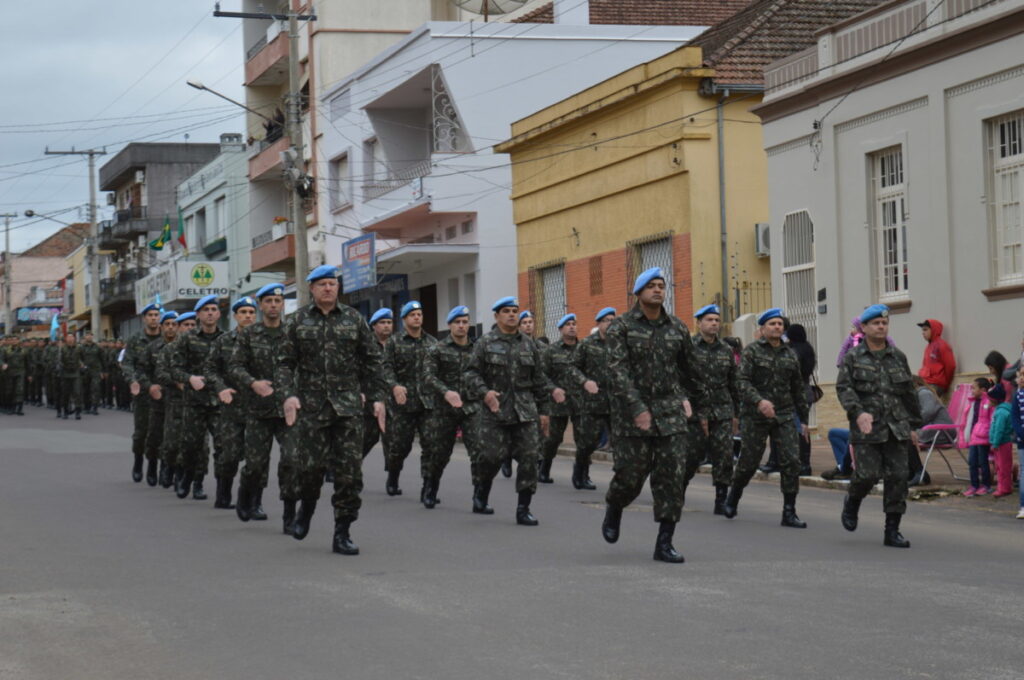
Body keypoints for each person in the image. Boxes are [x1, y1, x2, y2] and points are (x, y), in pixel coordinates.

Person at [277, 265, 386, 555]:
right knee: (310, 469)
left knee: (349, 473)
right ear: (312, 289)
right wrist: (288, 395)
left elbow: (373, 360)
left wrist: (376, 397)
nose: (328, 288)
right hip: (312, 408)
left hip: (348, 408)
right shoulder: (297, 321)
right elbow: (285, 364)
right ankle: (306, 510)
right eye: (322, 284)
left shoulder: (353, 319)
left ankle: (343, 531)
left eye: (333, 284)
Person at [601, 267, 695, 563]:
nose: (658, 290)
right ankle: (615, 506)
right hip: (632, 417)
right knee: (630, 477)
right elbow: (617, 371)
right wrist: (638, 407)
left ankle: (664, 543)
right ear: (639, 293)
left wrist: (689, 399)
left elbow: (689, 370)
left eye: (661, 285)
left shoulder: (677, 328)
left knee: (671, 479)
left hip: (670, 415)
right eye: (651, 286)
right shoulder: (622, 327)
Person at [464, 296, 559, 523]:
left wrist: (544, 412)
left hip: (525, 413)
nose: (512, 315)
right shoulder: (485, 343)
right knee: (490, 458)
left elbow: (539, 381)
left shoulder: (529, 344)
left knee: (529, 459)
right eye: (506, 311)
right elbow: (470, 373)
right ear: (497, 316)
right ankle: (481, 492)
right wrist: (485, 393)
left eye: (515, 310)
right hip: (495, 413)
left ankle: (523, 509)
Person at [836, 304, 921, 548]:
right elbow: (844, 388)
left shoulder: (898, 356)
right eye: (876, 323)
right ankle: (852, 501)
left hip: (896, 426)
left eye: (884, 323)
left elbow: (908, 393)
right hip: (867, 427)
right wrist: (857, 411)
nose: (881, 327)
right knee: (867, 475)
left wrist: (914, 426)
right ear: (864, 327)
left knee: (898, 477)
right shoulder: (853, 357)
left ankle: (892, 530)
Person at [724, 308, 809, 528]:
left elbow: (798, 387)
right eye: (772, 324)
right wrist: (759, 401)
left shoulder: (790, 354)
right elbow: (741, 382)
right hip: (755, 416)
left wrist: (804, 419)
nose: (777, 328)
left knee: (791, 461)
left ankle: (789, 512)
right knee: (749, 462)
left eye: (780, 324)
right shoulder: (752, 352)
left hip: (784, 415)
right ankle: (733, 497)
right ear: (762, 329)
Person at [231, 284, 296, 532]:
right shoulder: (249, 335)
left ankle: (289, 514)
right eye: (268, 301)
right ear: (261, 305)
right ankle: (246, 494)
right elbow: (235, 367)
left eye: (277, 301)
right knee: (256, 464)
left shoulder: (293, 332)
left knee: (292, 460)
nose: (273, 305)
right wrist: (252, 382)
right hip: (258, 410)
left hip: (287, 410)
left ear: (282, 304)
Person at [420, 305, 482, 509]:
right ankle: (430, 488)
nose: (462, 326)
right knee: (439, 453)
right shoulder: (437, 349)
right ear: (449, 325)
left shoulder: (477, 349)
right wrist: (446, 392)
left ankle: (479, 498)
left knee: (480, 451)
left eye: (465, 322)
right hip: (444, 410)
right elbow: (428, 377)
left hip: (471, 408)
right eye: (458, 322)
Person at [167, 295, 225, 501]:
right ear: (199, 314)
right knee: (193, 446)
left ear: (218, 314)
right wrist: (190, 378)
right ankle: (187, 478)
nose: (210, 313)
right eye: (206, 309)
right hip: (194, 402)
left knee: (223, 447)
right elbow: (174, 369)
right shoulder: (186, 338)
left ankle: (219, 491)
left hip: (219, 403)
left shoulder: (225, 339)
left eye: (213, 309)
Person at [683, 304, 739, 514]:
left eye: (716, 320)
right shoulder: (689, 347)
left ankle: (721, 500)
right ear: (699, 323)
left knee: (724, 456)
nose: (714, 323)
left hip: (722, 410)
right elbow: (681, 379)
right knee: (691, 456)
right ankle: (678, 493)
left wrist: (736, 414)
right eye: (709, 320)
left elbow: (733, 382)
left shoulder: (726, 349)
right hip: (695, 413)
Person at [205, 296, 258, 511]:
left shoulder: (265, 340)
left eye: (251, 312)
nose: (247, 316)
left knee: (257, 459)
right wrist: (220, 388)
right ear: (235, 316)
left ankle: (255, 501)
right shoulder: (223, 341)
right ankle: (223, 493)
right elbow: (210, 370)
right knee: (229, 456)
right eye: (243, 312)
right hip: (231, 409)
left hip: (258, 409)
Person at [381, 300, 438, 498]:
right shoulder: (394, 342)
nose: (417, 318)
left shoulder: (432, 343)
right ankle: (393, 477)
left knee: (431, 445)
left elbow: (439, 372)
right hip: (402, 404)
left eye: (419, 314)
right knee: (399, 446)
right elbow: (385, 368)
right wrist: (395, 386)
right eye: (412, 315)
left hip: (427, 403)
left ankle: (428, 488)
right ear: (404, 319)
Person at [563, 307, 617, 491]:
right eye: (606, 320)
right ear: (599, 323)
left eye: (612, 320)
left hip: (616, 401)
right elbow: (571, 368)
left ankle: (622, 478)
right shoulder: (587, 344)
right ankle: (580, 473)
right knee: (588, 443)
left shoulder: (619, 344)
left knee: (622, 441)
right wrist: (585, 381)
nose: (610, 324)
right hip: (593, 402)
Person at [136, 312, 179, 487]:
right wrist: (149, 386)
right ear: (161, 326)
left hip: (177, 399)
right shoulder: (152, 348)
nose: (170, 327)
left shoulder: (183, 347)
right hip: (157, 399)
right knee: (154, 435)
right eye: (167, 323)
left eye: (174, 324)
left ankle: (167, 468)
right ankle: (152, 465)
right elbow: (141, 371)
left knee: (174, 438)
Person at [120, 303, 162, 482]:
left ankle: (153, 466)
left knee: (158, 432)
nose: (153, 318)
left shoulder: (166, 338)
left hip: (162, 392)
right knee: (141, 432)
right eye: (150, 315)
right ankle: (138, 462)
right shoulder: (135, 339)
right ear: (144, 319)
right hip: (142, 392)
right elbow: (127, 363)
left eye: (156, 314)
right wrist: (132, 380)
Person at [538, 313, 582, 485]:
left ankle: (581, 474)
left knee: (583, 440)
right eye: (568, 324)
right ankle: (544, 469)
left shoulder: (584, 348)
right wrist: (553, 389)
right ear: (561, 329)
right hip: (558, 403)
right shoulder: (551, 351)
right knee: (553, 440)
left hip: (580, 402)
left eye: (574, 323)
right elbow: (542, 375)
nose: (572, 327)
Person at [157, 312, 198, 489]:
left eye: (192, 325)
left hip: (198, 402)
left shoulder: (202, 348)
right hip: (175, 401)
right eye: (186, 325)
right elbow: (160, 373)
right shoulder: (169, 349)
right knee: (173, 442)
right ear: (179, 328)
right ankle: (168, 467)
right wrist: (178, 382)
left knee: (196, 444)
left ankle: (195, 482)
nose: (189, 328)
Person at [906, 375, 955, 486]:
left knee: (906, 436)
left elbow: (928, 412)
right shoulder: (918, 394)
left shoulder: (923, 393)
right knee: (904, 435)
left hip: (942, 430)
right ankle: (912, 472)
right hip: (934, 429)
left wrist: (913, 425)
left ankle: (919, 472)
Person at [362, 308, 393, 461]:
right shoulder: (366, 345)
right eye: (382, 322)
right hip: (370, 399)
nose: (386, 325)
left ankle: (392, 478)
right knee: (369, 436)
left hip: (391, 400)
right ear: (373, 326)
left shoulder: (396, 344)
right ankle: (343, 465)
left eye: (389, 322)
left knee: (391, 438)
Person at [787, 324, 817, 476]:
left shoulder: (793, 352)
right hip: (807, 393)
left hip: (796, 394)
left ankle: (803, 464)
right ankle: (805, 462)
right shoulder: (808, 349)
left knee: (799, 428)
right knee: (803, 427)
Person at [962, 377, 995, 497]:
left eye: (974, 388)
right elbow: (968, 420)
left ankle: (986, 485)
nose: (971, 391)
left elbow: (992, 419)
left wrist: (990, 436)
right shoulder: (972, 402)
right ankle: (974, 485)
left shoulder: (989, 402)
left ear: (983, 390)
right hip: (974, 436)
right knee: (972, 462)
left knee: (983, 462)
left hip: (983, 437)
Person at [917, 319, 956, 396]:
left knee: (923, 397)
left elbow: (951, 366)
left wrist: (946, 384)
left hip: (936, 384)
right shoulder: (928, 347)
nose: (923, 333)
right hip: (926, 383)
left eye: (925, 329)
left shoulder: (942, 345)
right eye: (922, 330)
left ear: (934, 330)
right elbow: (924, 366)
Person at [988, 383, 1015, 498]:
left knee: (1002, 467)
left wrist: (995, 443)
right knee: (1002, 466)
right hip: (1002, 443)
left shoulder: (1000, 413)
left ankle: (1004, 488)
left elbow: (999, 429)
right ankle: (1005, 486)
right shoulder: (1002, 410)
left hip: (1001, 443)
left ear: (994, 400)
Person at [57, 333, 85, 420]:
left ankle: (78, 412)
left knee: (77, 393)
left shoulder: (79, 348)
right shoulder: (62, 348)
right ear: (66, 339)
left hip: (76, 373)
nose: (70, 339)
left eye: (71, 337)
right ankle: (65, 411)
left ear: (74, 338)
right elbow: (59, 360)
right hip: (65, 373)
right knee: (65, 394)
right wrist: (61, 366)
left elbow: (83, 358)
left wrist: (82, 365)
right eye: (68, 337)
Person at [1009, 368, 1024, 518]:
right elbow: (1015, 418)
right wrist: (1021, 433)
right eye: (1020, 375)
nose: (1021, 378)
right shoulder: (1017, 396)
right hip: (1022, 441)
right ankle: (1023, 506)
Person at [79, 332, 103, 415]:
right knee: (86, 389)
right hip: (85, 371)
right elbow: (78, 358)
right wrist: (81, 364)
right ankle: (86, 407)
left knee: (95, 388)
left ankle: (95, 407)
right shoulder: (81, 347)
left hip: (95, 371)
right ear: (85, 337)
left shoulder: (97, 347)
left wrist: (104, 371)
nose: (89, 337)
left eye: (90, 335)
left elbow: (102, 359)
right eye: (87, 335)